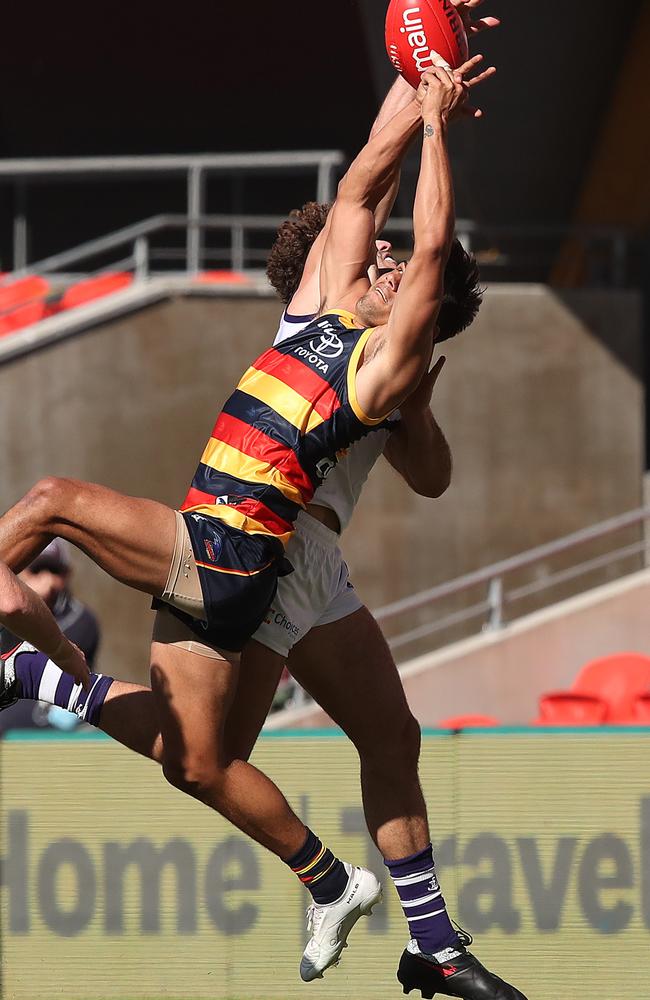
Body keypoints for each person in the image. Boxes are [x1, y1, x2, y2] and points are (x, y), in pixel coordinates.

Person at [0, 60, 525, 1000]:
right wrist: (423, 65)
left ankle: (432, 943)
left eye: (395, 268)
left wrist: (439, 124)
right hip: (267, 549)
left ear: (416, 308)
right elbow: (367, 174)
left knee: (366, 740)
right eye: (376, 257)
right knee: (199, 756)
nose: (378, 258)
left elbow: (436, 472)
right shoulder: (320, 314)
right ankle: (34, 673)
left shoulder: (388, 372)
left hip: (282, 550)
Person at [0, 539, 100, 733]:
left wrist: (31, 604)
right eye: (36, 570)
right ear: (18, 571)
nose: (46, 580)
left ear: (67, 574)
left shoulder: (82, 620)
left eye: (54, 571)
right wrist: (22, 601)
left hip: (54, 730)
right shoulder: (6, 607)